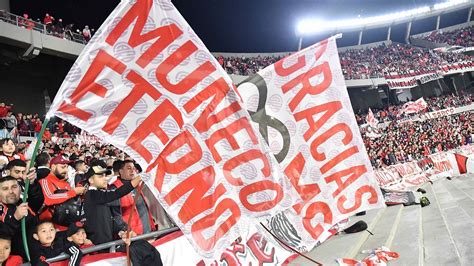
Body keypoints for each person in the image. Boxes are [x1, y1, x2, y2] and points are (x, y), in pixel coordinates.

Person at [84, 165, 162, 265]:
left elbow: (108, 219)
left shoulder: (98, 195)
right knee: (143, 251)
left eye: (105, 176)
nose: (105, 179)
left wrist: (122, 231)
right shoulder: (92, 195)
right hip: (102, 248)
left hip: (109, 244)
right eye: (100, 176)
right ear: (91, 180)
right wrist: (139, 178)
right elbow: (117, 193)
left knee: (145, 249)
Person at [39, 156, 86, 230]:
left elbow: (71, 201)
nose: (66, 170)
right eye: (63, 167)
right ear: (53, 167)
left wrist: (80, 194)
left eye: (67, 167)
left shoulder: (66, 184)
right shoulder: (45, 181)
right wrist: (73, 192)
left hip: (68, 227)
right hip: (52, 228)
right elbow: (48, 198)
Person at [0, 176, 41, 260]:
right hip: (17, 260)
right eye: (5, 189)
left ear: (20, 189)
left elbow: (38, 200)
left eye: (14, 187)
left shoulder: (24, 203)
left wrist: (32, 183)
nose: (11, 191)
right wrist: (15, 218)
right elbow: (3, 235)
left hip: (38, 254)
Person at [110, 160, 155, 235]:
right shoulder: (114, 188)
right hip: (133, 235)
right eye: (128, 168)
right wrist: (126, 230)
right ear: (121, 171)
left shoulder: (137, 184)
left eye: (133, 168)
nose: (132, 170)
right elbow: (116, 216)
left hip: (148, 231)